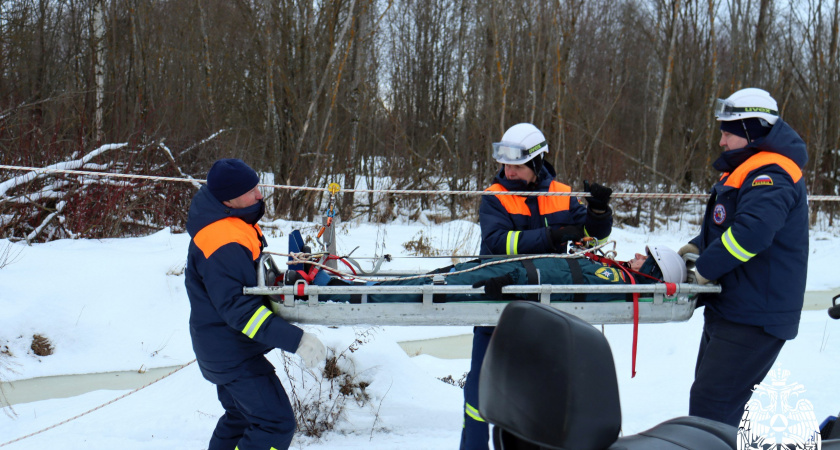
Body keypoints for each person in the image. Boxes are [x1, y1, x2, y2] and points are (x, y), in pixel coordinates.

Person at [463, 123, 615, 450]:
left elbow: (592, 238)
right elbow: (498, 241)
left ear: (536, 163)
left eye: (517, 165)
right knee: (479, 394)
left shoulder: (561, 193)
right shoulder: (495, 197)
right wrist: (552, 236)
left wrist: (599, 213)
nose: (509, 171)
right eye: (505, 164)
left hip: (545, 312)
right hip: (497, 306)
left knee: (533, 399)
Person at [678, 88, 809, 428]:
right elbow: (730, 226)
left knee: (712, 409)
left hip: (754, 315)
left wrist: (702, 270)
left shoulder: (772, 172)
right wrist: (695, 248)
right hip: (735, 308)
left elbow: (752, 234)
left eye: (727, 131)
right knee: (710, 406)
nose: (721, 141)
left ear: (750, 130)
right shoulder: (751, 168)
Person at [185, 158, 327, 450]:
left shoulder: (228, 225)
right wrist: (297, 340)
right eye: (252, 190)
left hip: (221, 348)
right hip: (232, 353)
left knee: (239, 418)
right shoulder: (222, 241)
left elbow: (245, 287)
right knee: (275, 425)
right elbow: (239, 310)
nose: (260, 195)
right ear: (230, 198)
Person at [306, 245, 685, 304]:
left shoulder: (619, 281)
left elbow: (569, 287)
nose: (636, 255)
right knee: (441, 274)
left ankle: (340, 291)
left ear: (652, 271)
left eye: (644, 256)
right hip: (512, 268)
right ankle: (350, 284)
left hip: (513, 277)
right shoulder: (619, 273)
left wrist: (511, 283)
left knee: (431, 287)